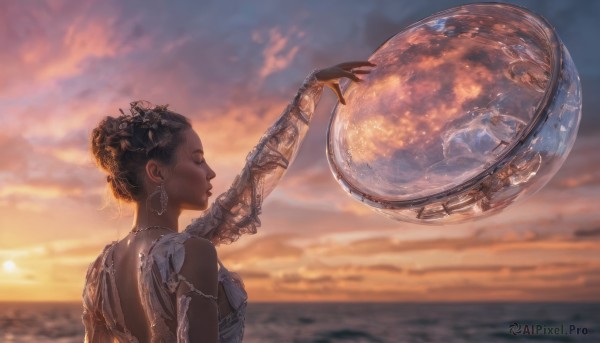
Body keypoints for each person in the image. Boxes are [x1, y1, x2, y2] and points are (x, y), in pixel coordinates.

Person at [82, 61, 375, 343]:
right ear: (156, 172)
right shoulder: (192, 252)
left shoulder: (101, 269)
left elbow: (244, 191)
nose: (210, 172)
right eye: (197, 160)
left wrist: (310, 91)